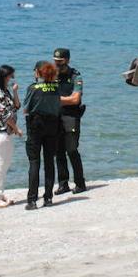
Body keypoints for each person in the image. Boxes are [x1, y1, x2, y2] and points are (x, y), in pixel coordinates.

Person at [23, 62, 62, 209]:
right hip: (52, 126)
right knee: (49, 162)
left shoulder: (33, 88)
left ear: (39, 73)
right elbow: (58, 107)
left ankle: (32, 200)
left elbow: (26, 109)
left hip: (36, 126)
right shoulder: (56, 88)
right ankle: (48, 198)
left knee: (34, 162)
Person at [52, 48, 87, 195]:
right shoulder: (52, 76)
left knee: (72, 150)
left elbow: (76, 99)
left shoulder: (75, 76)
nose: (57, 63)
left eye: (60, 61)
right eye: (55, 60)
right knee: (58, 151)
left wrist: (56, 100)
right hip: (55, 117)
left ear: (67, 60)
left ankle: (80, 183)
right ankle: (63, 183)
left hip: (71, 117)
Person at [0, 65, 22, 209]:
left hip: (6, 133)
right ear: (3, 76)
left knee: (5, 164)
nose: (11, 78)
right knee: (1, 165)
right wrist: (17, 129)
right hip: (1, 133)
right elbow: (5, 115)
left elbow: (16, 106)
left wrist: (15, 92)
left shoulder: (5, 91)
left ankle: (0, 193)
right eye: (10, 76)